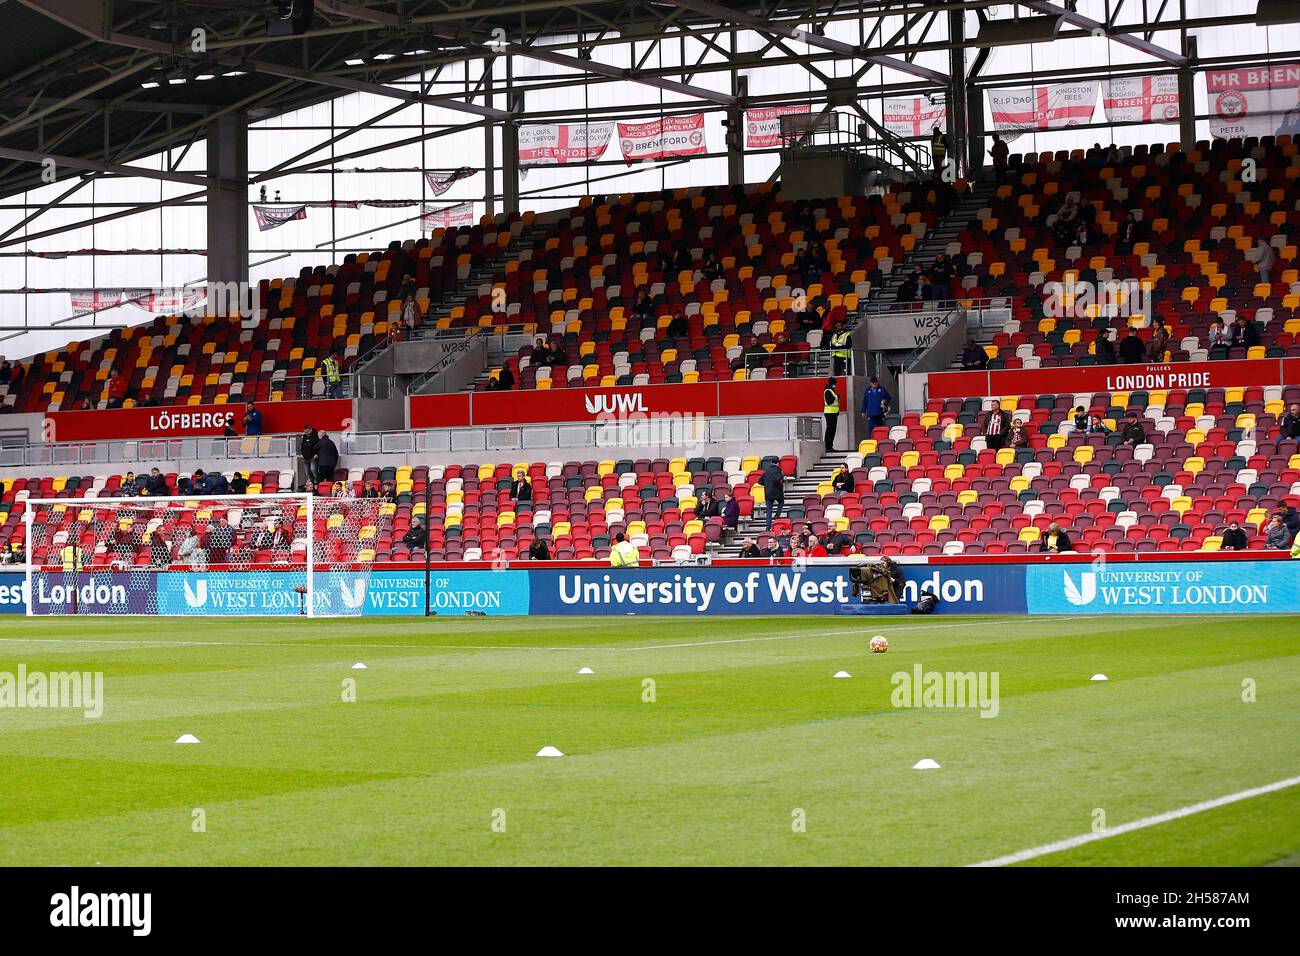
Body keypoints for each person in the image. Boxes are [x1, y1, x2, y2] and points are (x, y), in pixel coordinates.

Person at [761, 460, 785, 530]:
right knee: (781, 502)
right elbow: (779, 480)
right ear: (778, 463)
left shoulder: (766, 471)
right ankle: (777, 515)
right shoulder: (778, 471)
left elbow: (760, 481)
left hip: (768, 493)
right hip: (777, 492)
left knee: (769, 510)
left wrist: (767, 485)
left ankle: (768, 527)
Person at [822, 377, 841, 453]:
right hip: (829, 413)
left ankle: (830, 446)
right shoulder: (828, 391)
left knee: (832, 430)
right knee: (829, 430)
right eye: (835, 384)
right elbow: (829, 402)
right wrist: (836, 397)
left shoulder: (831, 391)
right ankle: (827, 446)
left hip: (834, 413)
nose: (835, 385)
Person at [299, 426, 319, 490]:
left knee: (313, 469)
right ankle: (311, 484)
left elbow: (319, 446)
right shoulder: (304, 436)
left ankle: (317, 482)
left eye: (307, 432)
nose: (306, 433)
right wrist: (303, 453)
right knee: (307, 472)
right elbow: (302, 446)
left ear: (310, 430)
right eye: (305, 432)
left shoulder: (316, 436)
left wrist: (317, 454)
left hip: (313, 457)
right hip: (306, 457)